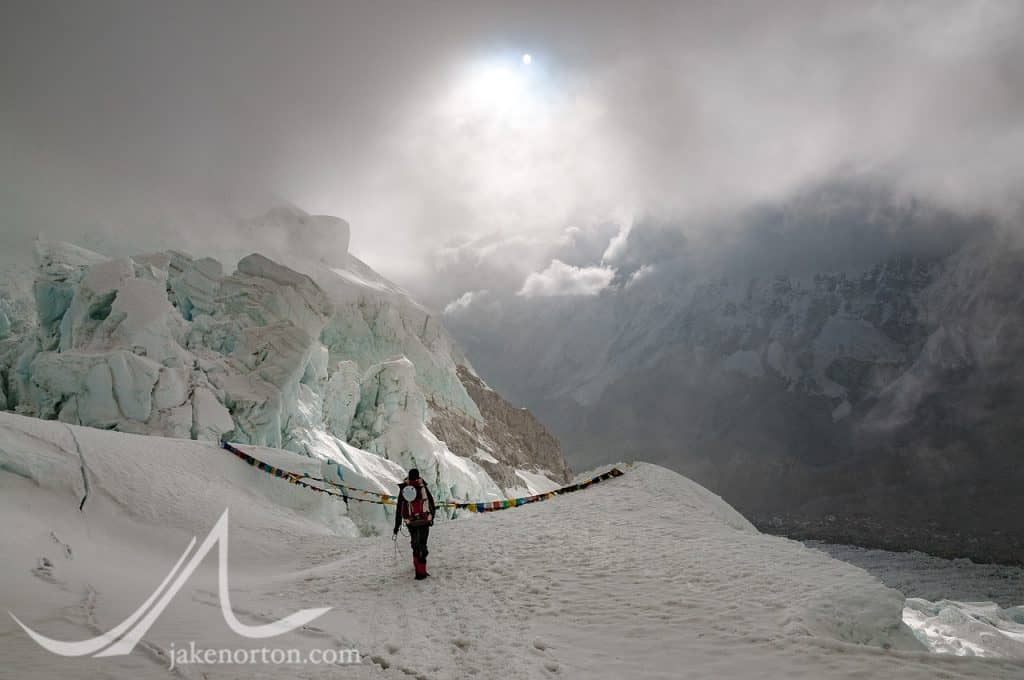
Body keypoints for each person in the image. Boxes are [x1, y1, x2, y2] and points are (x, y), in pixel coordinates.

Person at [393, 468, 436, 580]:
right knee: (422, 543)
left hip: (411, 522)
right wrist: (431, 518)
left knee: (415, 543)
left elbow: (399, 508)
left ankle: (417, 566)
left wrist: (397, 525)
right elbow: (431, 502)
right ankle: (421, 572)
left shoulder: (405, 489)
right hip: (424, 520)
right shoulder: (422, 486)